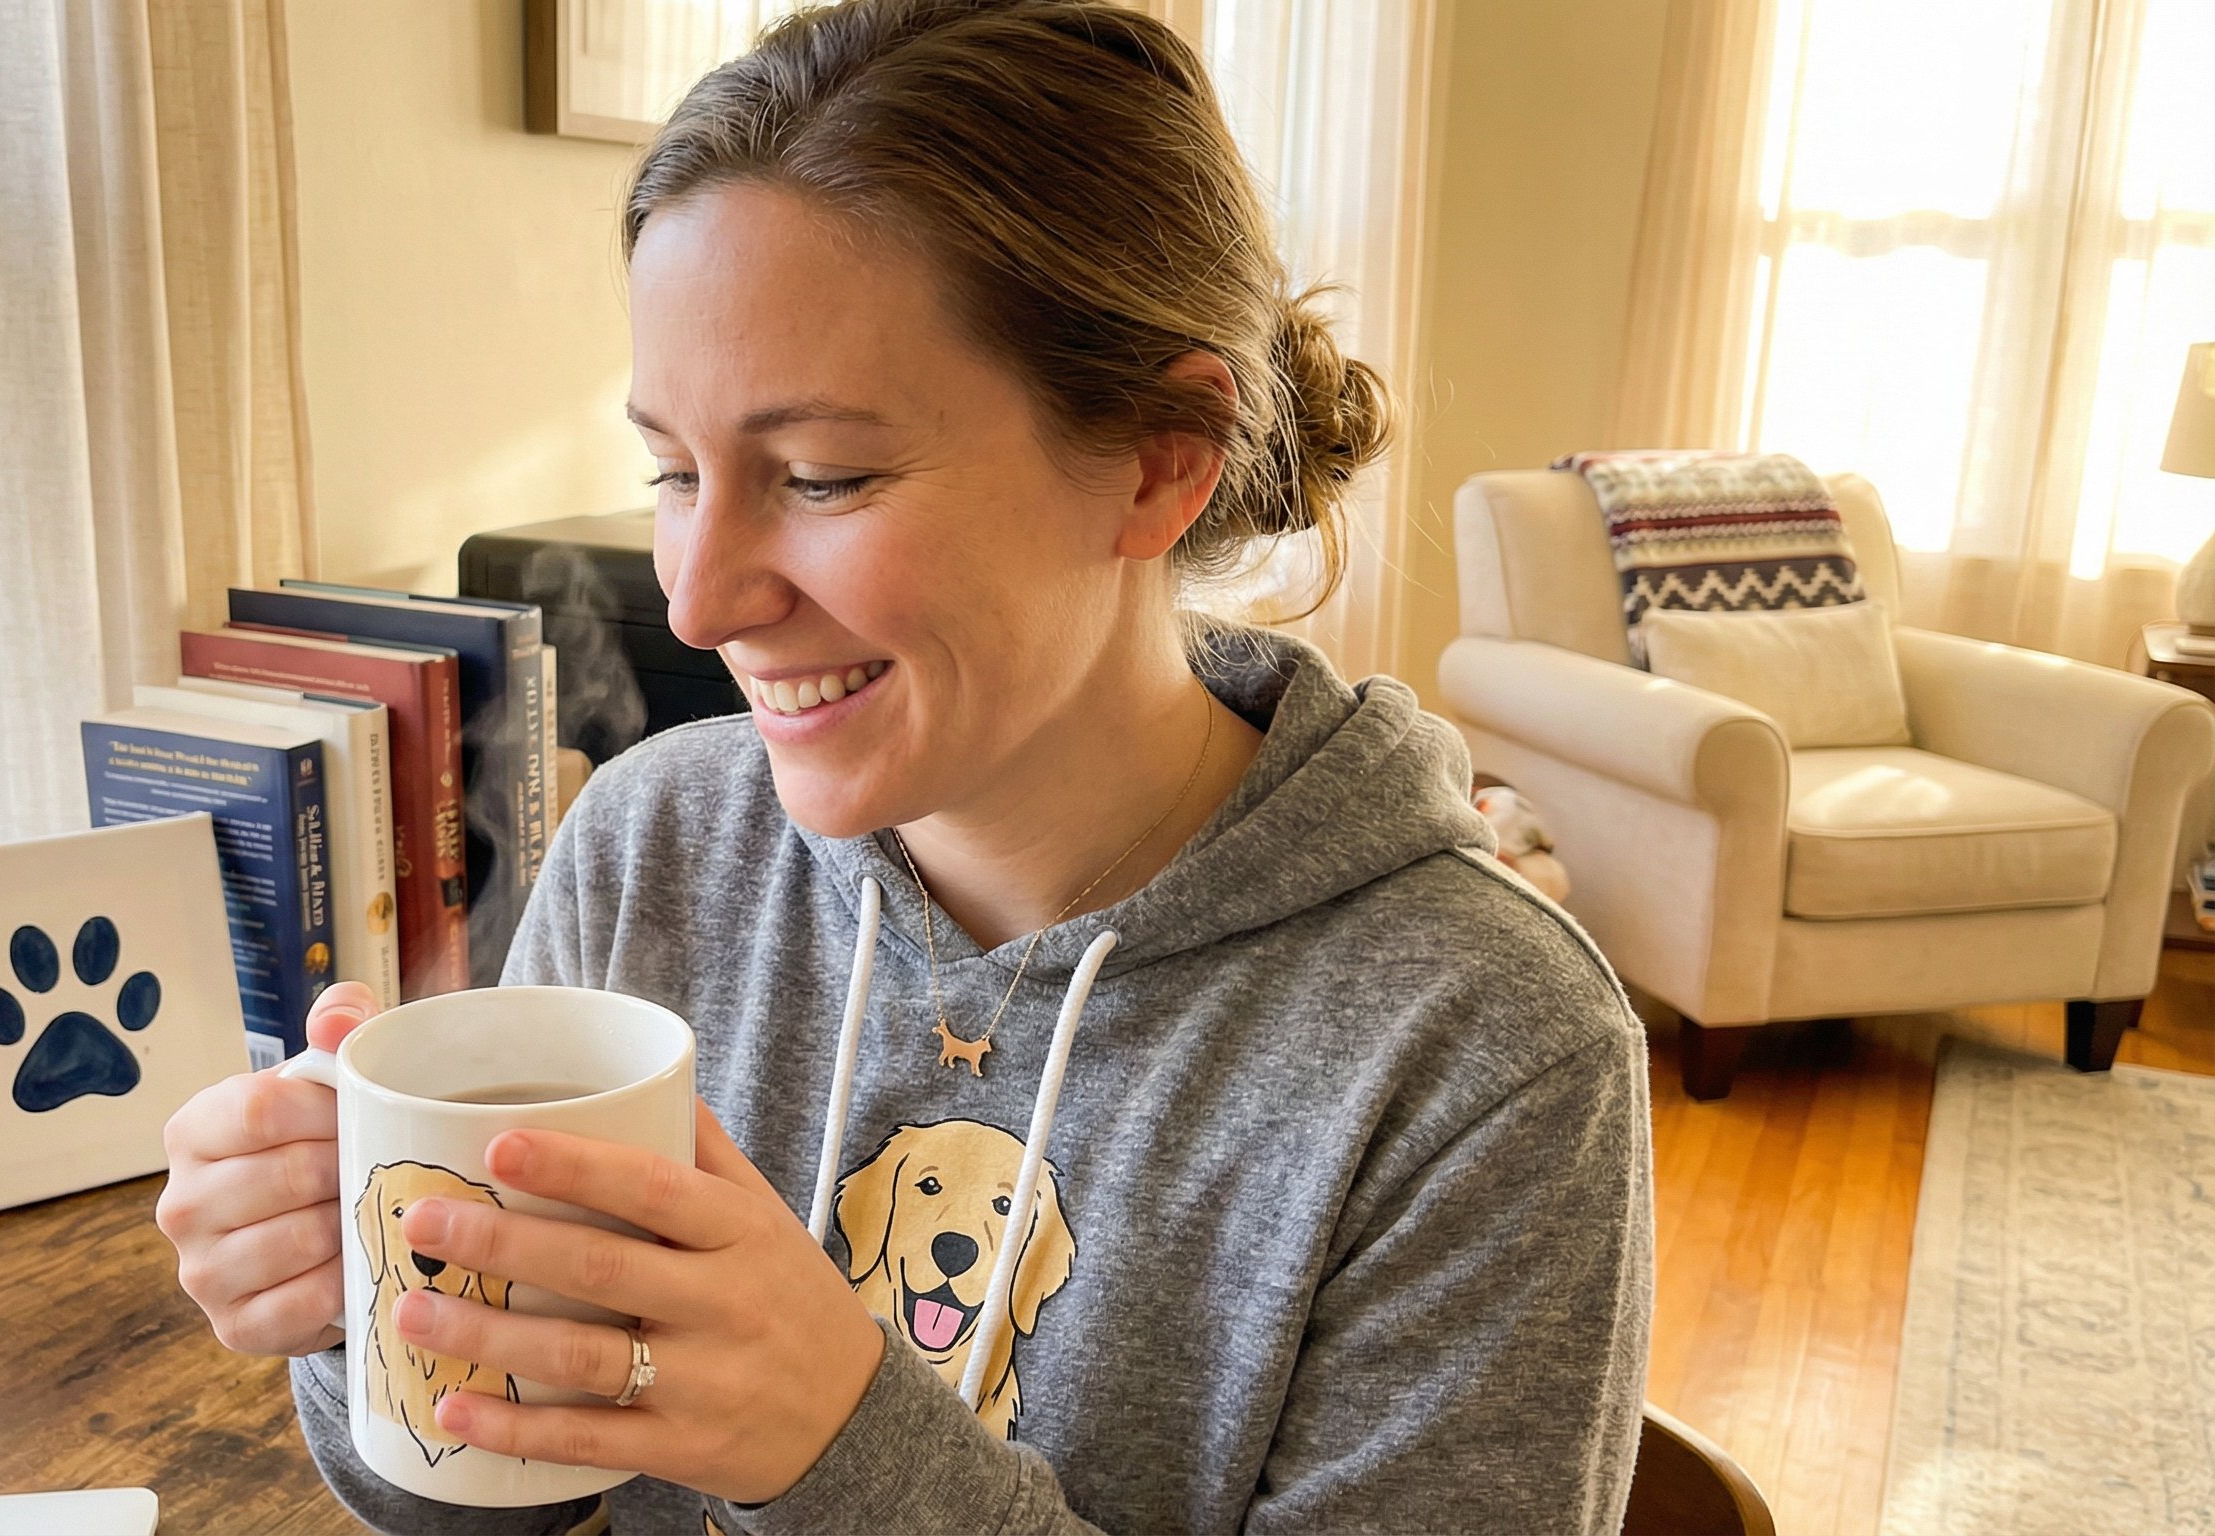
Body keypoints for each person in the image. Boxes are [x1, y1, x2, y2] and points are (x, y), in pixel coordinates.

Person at [153, 1, 1652, 1531]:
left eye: (824, 476)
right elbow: (502, 1497)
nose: (697, 599)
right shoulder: (655, 842)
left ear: (1156, 460)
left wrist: (834, 1445)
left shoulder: (1484, 1051)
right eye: (673, 472)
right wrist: (374, 1305)